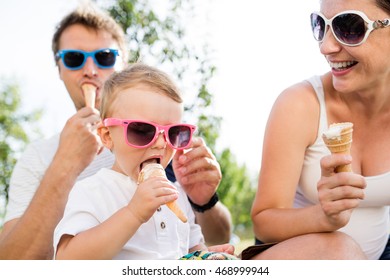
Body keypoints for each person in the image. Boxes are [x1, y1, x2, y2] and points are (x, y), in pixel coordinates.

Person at [0, 3, 231, 260]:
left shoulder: (172, 167)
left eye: (105, 56)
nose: (91, 70)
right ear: (107, 135)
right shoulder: (71, 178)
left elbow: (198, 245)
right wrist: (65, 166)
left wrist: (207, 243)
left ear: (123, 62)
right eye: (75, 58)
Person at [250, 0, 390, 260]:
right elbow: (263, 223)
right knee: (342, 252)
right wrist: (322, 216)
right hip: (296, 259)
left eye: (348, 26)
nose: (326, 47)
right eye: (320, 25)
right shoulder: (299, 104)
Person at [53, 63, 231, 259]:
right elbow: (67, 260)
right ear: (107, 136)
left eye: (173, 133)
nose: (161, 144)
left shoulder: (177, 193)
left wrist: (205, 257)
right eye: (142, 130)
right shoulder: (92, 191)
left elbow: (190, 249)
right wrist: (133, 213)